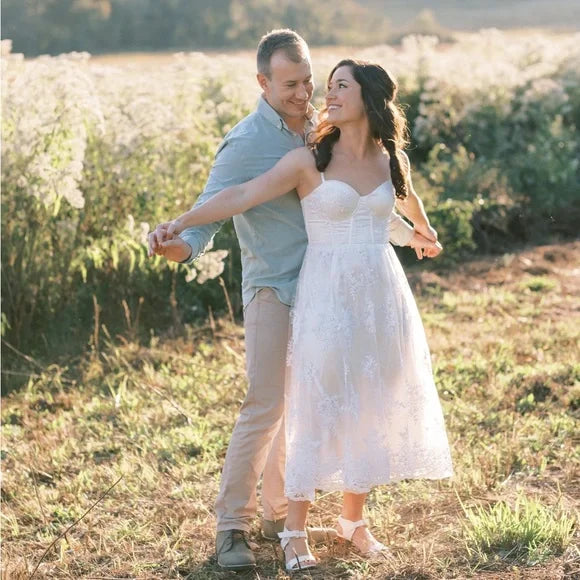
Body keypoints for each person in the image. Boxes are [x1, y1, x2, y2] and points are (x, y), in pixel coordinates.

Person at [158, 59, 454, 572]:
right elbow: (242, 195)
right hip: (324, 292)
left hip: (381, 294)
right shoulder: (309, 160)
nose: (326, 95)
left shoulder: (388, 157)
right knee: (313, 406)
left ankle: (353, 522)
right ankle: (292, 529)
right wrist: (181, 222)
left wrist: (423, 234)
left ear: (370, 99)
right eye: (329, 85)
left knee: (369, 400)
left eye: (340, 86)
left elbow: (406, 199)